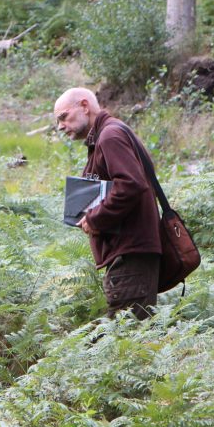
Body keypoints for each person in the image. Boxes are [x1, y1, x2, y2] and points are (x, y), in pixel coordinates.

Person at [54, 87, 161, 319]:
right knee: (130, 337)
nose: (61, 126)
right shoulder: (109, 133)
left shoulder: (110, 136)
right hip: (130, 253)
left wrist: (95, 218)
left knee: (128, 340)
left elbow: (131, 184)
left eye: (64, 117)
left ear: (84, 106)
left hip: (130, 254)